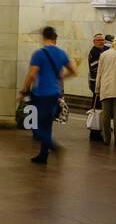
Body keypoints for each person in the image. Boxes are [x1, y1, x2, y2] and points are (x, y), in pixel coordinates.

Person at [18, 26, 76, 165]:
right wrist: (59, 77)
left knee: (34, 125)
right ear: (55, 38)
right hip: (55, 94)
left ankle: (54, 146)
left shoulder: (39, 53)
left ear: (43, 37)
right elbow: (73, 71)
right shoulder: (61, 53)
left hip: (41, 94)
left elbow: (32, 74)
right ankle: (43, 155)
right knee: (47, 125)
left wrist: (24, 90)